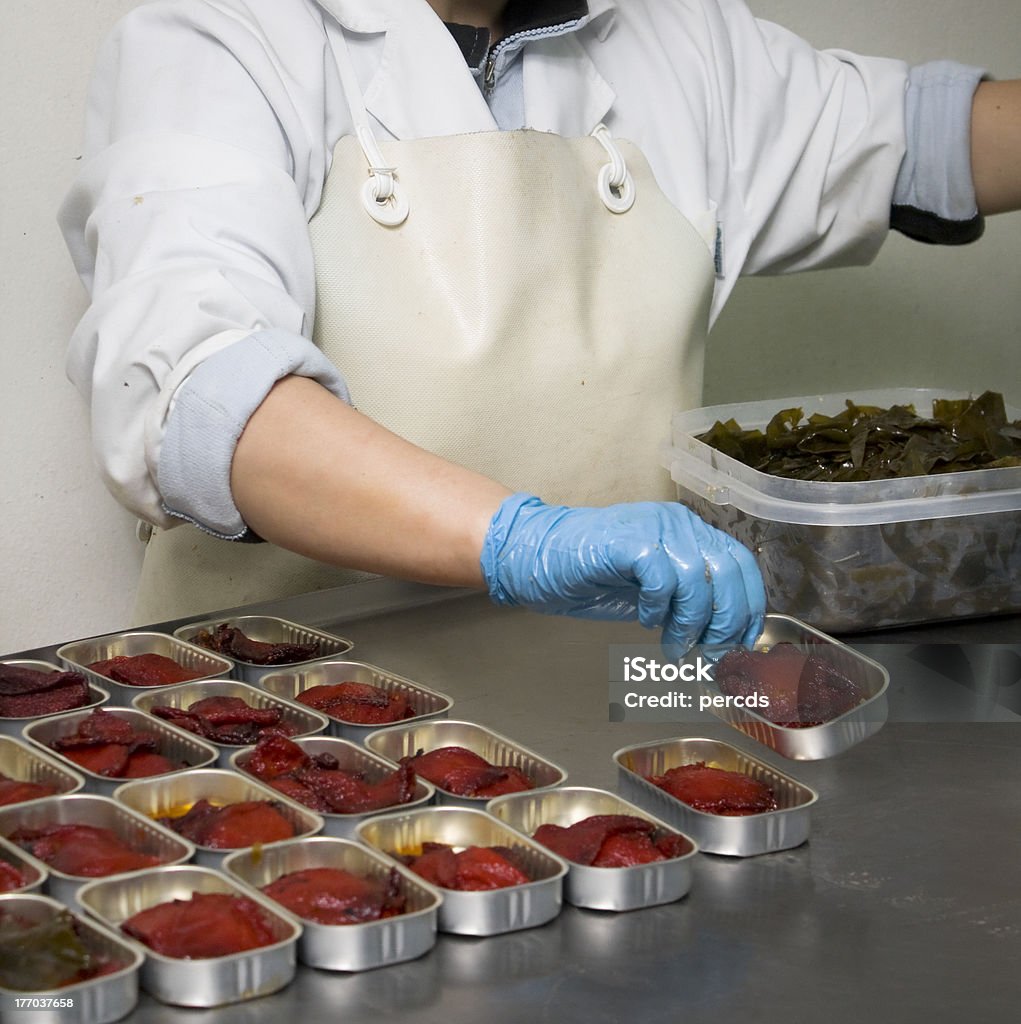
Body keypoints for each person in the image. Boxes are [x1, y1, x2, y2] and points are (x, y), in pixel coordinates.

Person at [59, 0, 1019, 648]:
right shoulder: (218, 36)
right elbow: (198, 393)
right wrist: (521, 540)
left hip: (608, 693)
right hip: (291, 704)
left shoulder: (677, 38)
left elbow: (923, 137)